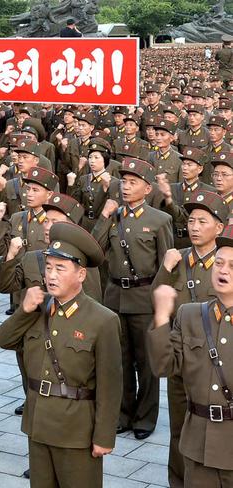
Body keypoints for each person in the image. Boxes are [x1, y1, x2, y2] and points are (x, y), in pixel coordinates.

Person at [0, 221, 122, 487]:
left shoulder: (102, 320)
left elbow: (110, 386)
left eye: (60, 269)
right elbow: (4, 340)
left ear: (81, 275)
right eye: (49, 267)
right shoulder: (37, 309)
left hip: (77, 430)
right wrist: (24, 310)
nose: (51, 275)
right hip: (38, 424)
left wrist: (104, 436)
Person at [92, 157, 173, 440]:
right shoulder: (113, 216)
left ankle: (145, 417)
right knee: (120, 361)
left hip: (143, 297)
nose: (125, 187)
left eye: (132, 183)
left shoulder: (160, 220)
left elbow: (166, 266)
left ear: (147, 188)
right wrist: (104, 216)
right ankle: (123, 413)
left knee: (146, 362)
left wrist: (161, 305)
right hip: (115, 296)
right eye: (123, 182)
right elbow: (94, 250)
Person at [151, 190, 227, 488]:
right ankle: (178, 480)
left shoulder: (225, 265)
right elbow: (156, 301)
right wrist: (165, 269)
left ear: (219, 228)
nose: (194, 227)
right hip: (182, 362)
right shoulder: (178, 259)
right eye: (191, 220)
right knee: (179, 430)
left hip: (214, 367)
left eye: (202, 221)